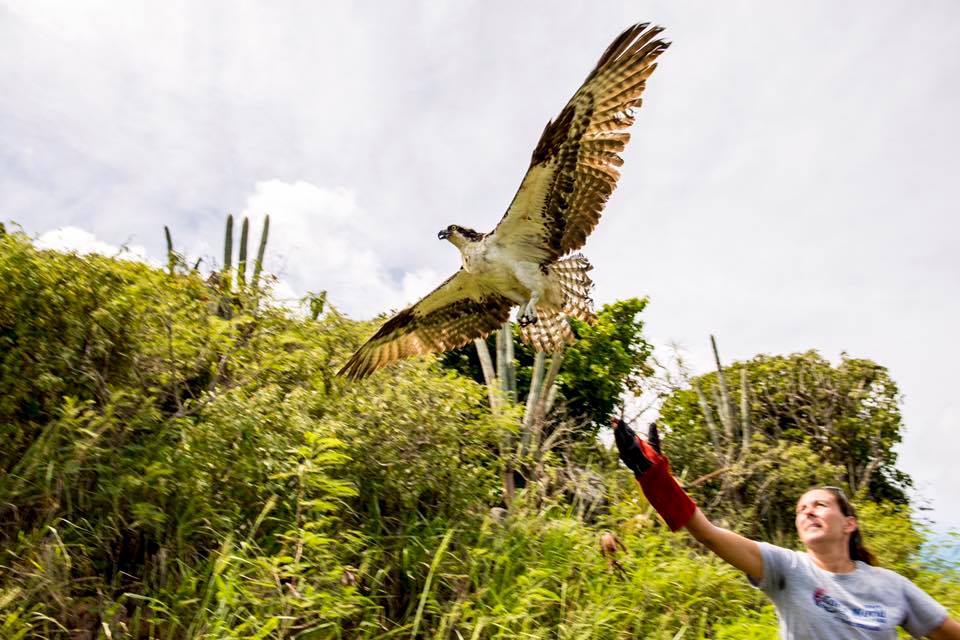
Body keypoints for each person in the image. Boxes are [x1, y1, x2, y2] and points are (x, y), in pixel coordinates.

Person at [613, 418, 960, 639]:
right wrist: (654, 477)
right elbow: (707, 532)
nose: (808, 512)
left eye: (819, 505)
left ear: (849, 524)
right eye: (801, 509)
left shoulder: (891, 586)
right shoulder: (787, 568)